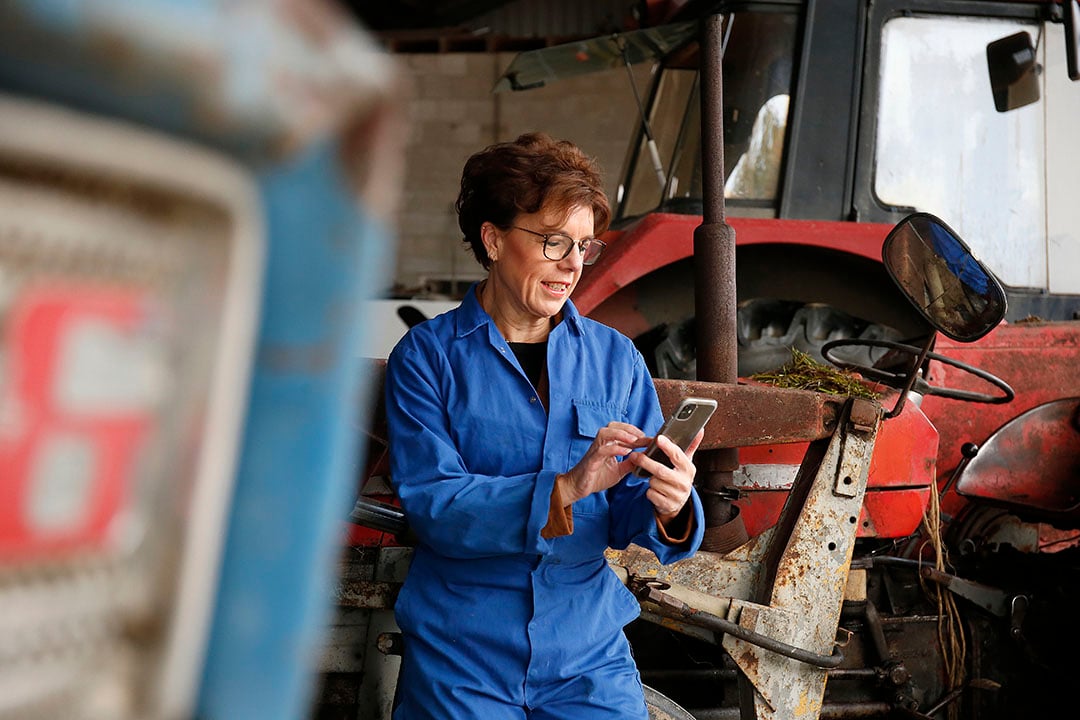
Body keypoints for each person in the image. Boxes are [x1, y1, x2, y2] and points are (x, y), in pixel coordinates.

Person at [384, 132, 706, 719]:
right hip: (462, 650)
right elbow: (433, 505)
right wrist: (565, 488)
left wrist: (671, 503)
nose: (572, 265)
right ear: (493, 239)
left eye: (584, 246)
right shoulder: (427, 359)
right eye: (554, 242)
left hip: (585, 652)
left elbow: (632, 508)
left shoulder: (616, 360)